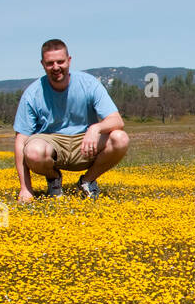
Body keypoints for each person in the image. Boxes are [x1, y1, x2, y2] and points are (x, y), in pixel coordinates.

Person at [14, 39, 129, 202]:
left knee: (120, 138)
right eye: (50, 63)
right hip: (51, 144)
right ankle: (54, 180)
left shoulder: (89, 84)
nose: (56, 67)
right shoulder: (32, 94)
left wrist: (95, 128)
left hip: (85, 143)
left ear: (69, 60)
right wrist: (25, 188)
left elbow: (116, 120)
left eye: (60, 61)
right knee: (32, 150)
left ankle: (87, 181)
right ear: (42, 64)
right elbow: (21, 140)